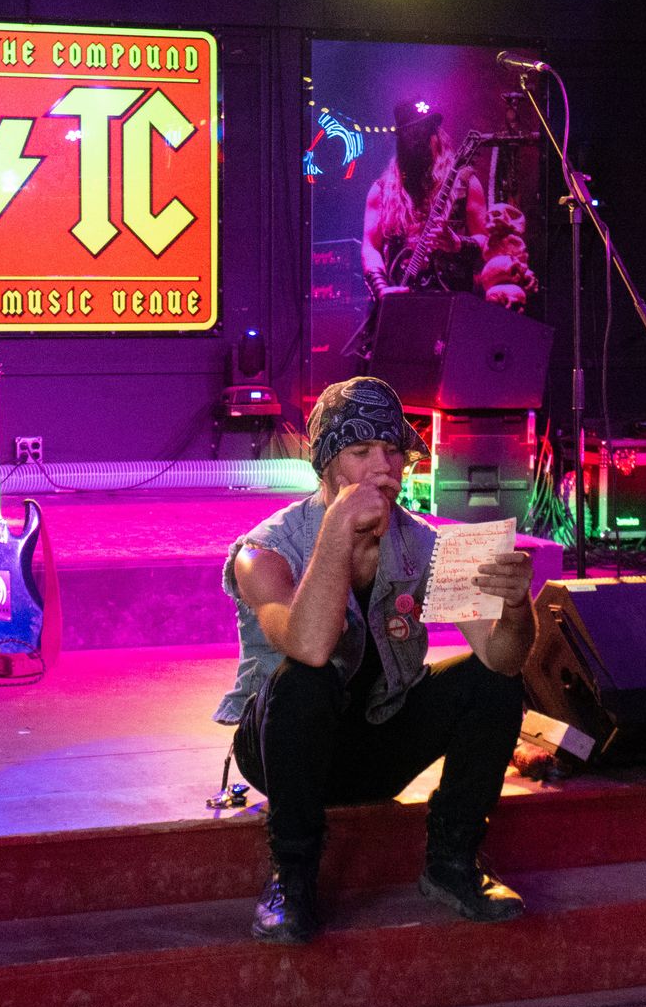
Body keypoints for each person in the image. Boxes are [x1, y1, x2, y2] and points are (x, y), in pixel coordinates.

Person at [215, 376, 535, 944]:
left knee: (491, 682)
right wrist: (338, 531)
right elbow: (309, 645)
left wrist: (514, 608)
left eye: (392, 451)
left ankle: (453, 862)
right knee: (305, 678)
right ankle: (292, 880)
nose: (383, 468)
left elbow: (503, 658)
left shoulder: (426, 545)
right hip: (283, 752)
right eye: (361, 452)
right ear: (326, 465)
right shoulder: (264, 551)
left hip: (379, 743)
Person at [348, 100, 489, 365]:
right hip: (400, 312)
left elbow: (487, 242)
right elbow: (370, 246)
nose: (417, 140)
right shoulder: (381, 190)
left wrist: (458, 244)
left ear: (436, 135)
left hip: (452, 311)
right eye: (410, 134)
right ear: (400, 141)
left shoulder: (465, 183)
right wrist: (382, 290)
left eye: (423, 132)